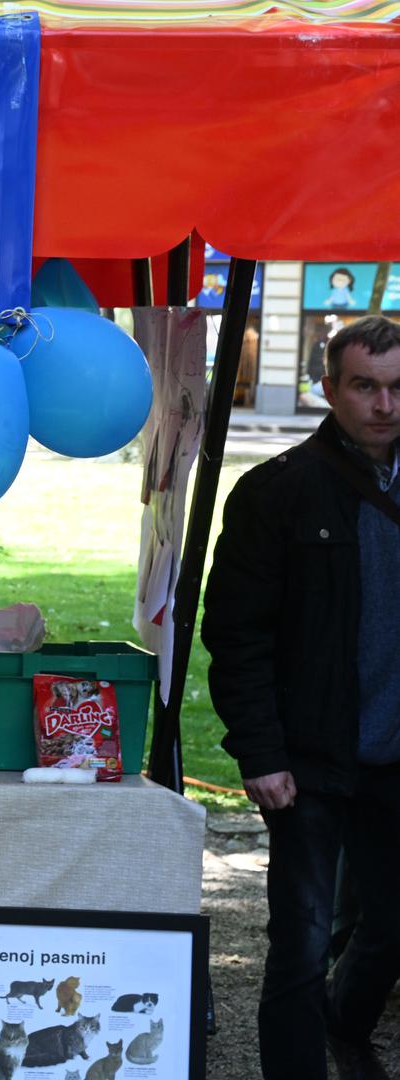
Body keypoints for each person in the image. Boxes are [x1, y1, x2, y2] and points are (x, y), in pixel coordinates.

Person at [205, 314, 400, 1080]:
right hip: (309, 761)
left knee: (386, 926)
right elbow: (236, 636)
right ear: (328, 388)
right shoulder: (275, 492)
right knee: (300, 940)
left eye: (395, 387)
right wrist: (260, 753)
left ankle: (344, 1027)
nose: (383, 404)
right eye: (364, 386)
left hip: (394, 762)